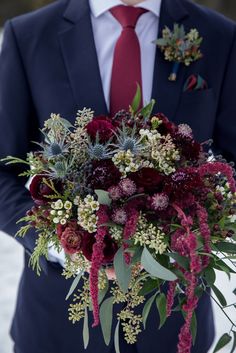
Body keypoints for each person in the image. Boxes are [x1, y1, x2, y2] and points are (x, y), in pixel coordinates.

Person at [0, 0, 235, 352]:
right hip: (58, 328)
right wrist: (61, 244)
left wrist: (192, 233)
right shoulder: (30, 36)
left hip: (174, 329)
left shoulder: (219, 36)